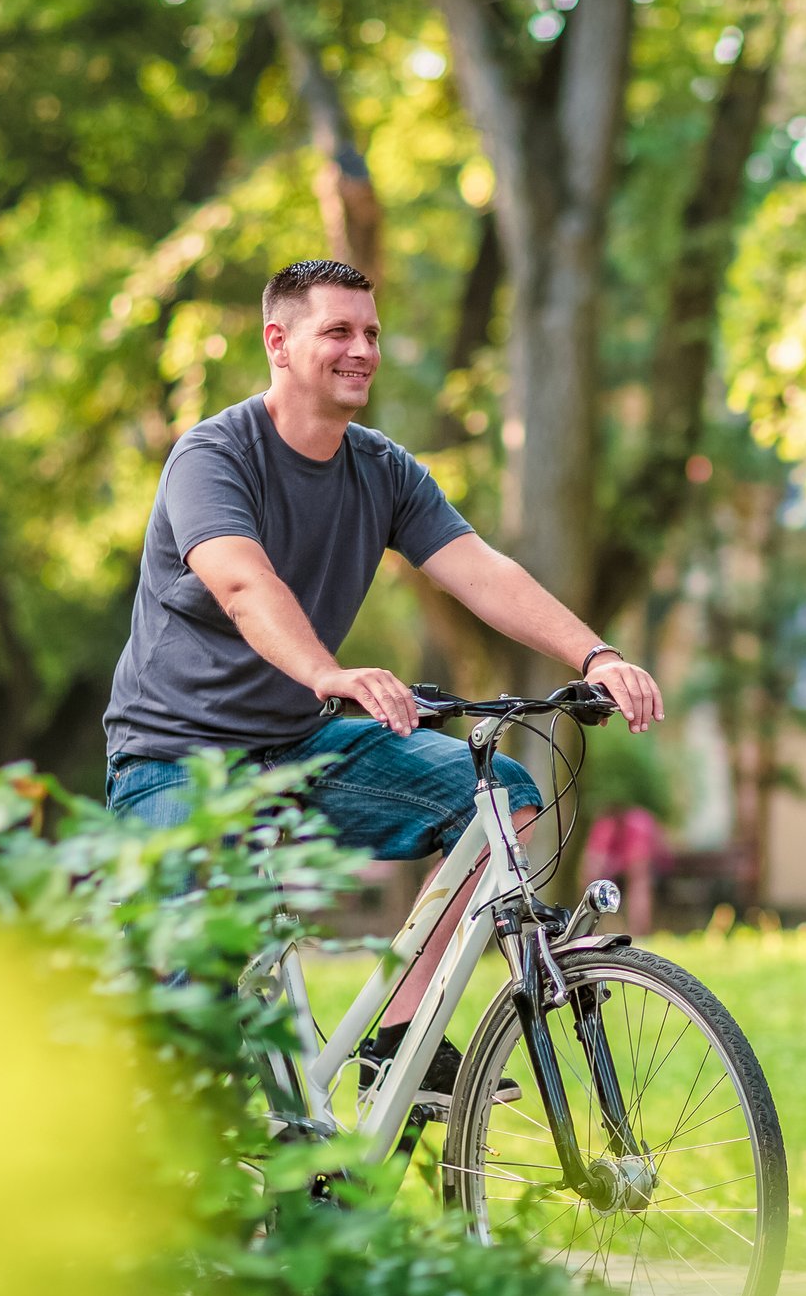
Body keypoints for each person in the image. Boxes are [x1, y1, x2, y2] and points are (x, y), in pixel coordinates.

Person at [102, 258, 664, 1093]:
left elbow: (481, 569)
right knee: (190, 1019)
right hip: (175, 757)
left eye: (370, 332)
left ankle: (398, 1041)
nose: (361, 348)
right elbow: (244, 583)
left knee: (496, 798)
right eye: (338, 331)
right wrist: (329, 673)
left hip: (297, 742)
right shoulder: (212, 456)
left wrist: (597, 654)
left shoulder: (383, 469)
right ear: (279, 342)